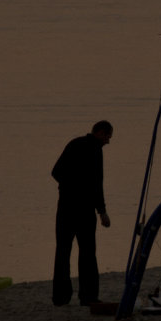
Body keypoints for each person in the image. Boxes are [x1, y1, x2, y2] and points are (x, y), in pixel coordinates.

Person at [51, 120, 112, 306]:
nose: (108, 142)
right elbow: (96, 184)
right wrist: (102, 212)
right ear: (100, 133)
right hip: (84, 210)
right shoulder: (95, 150)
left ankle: (60, 297)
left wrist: (68, 187)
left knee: (62, 251)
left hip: (65, 208)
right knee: (87, 253)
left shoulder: (74, 144)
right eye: (107, 137)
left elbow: (56, 172)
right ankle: (88, 296)